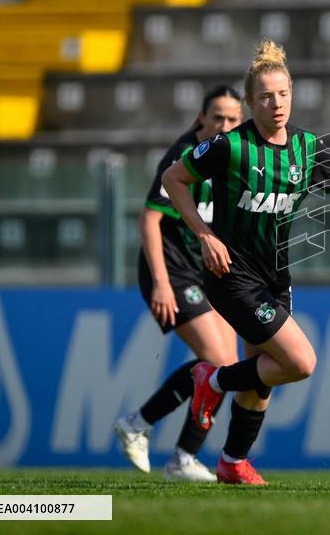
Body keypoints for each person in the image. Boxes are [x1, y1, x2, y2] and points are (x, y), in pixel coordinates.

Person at [162, 41, 330, 485]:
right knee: (301, 361)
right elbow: (173, 179)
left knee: (261, 381)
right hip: (229, 273)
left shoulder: (308, 148)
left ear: (293, 95)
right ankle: (210, 381)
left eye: (283, 94)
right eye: (266, 97)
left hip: (276, 277)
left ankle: (232, 462)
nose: (276, 104)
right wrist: (205, 235)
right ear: (250, 102)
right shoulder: (229, 147)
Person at [114, 85, 243, 481]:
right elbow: (149, 219)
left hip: (204, 271)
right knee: (220, 363)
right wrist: (161, 284)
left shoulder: (230, 155)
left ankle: (168, 446)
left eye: (233, 119)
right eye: (217, 117)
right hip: (171, 271)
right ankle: (160, 440)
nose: (224, 125)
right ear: (201, 118)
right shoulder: (182, 156)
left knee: (226, 366)